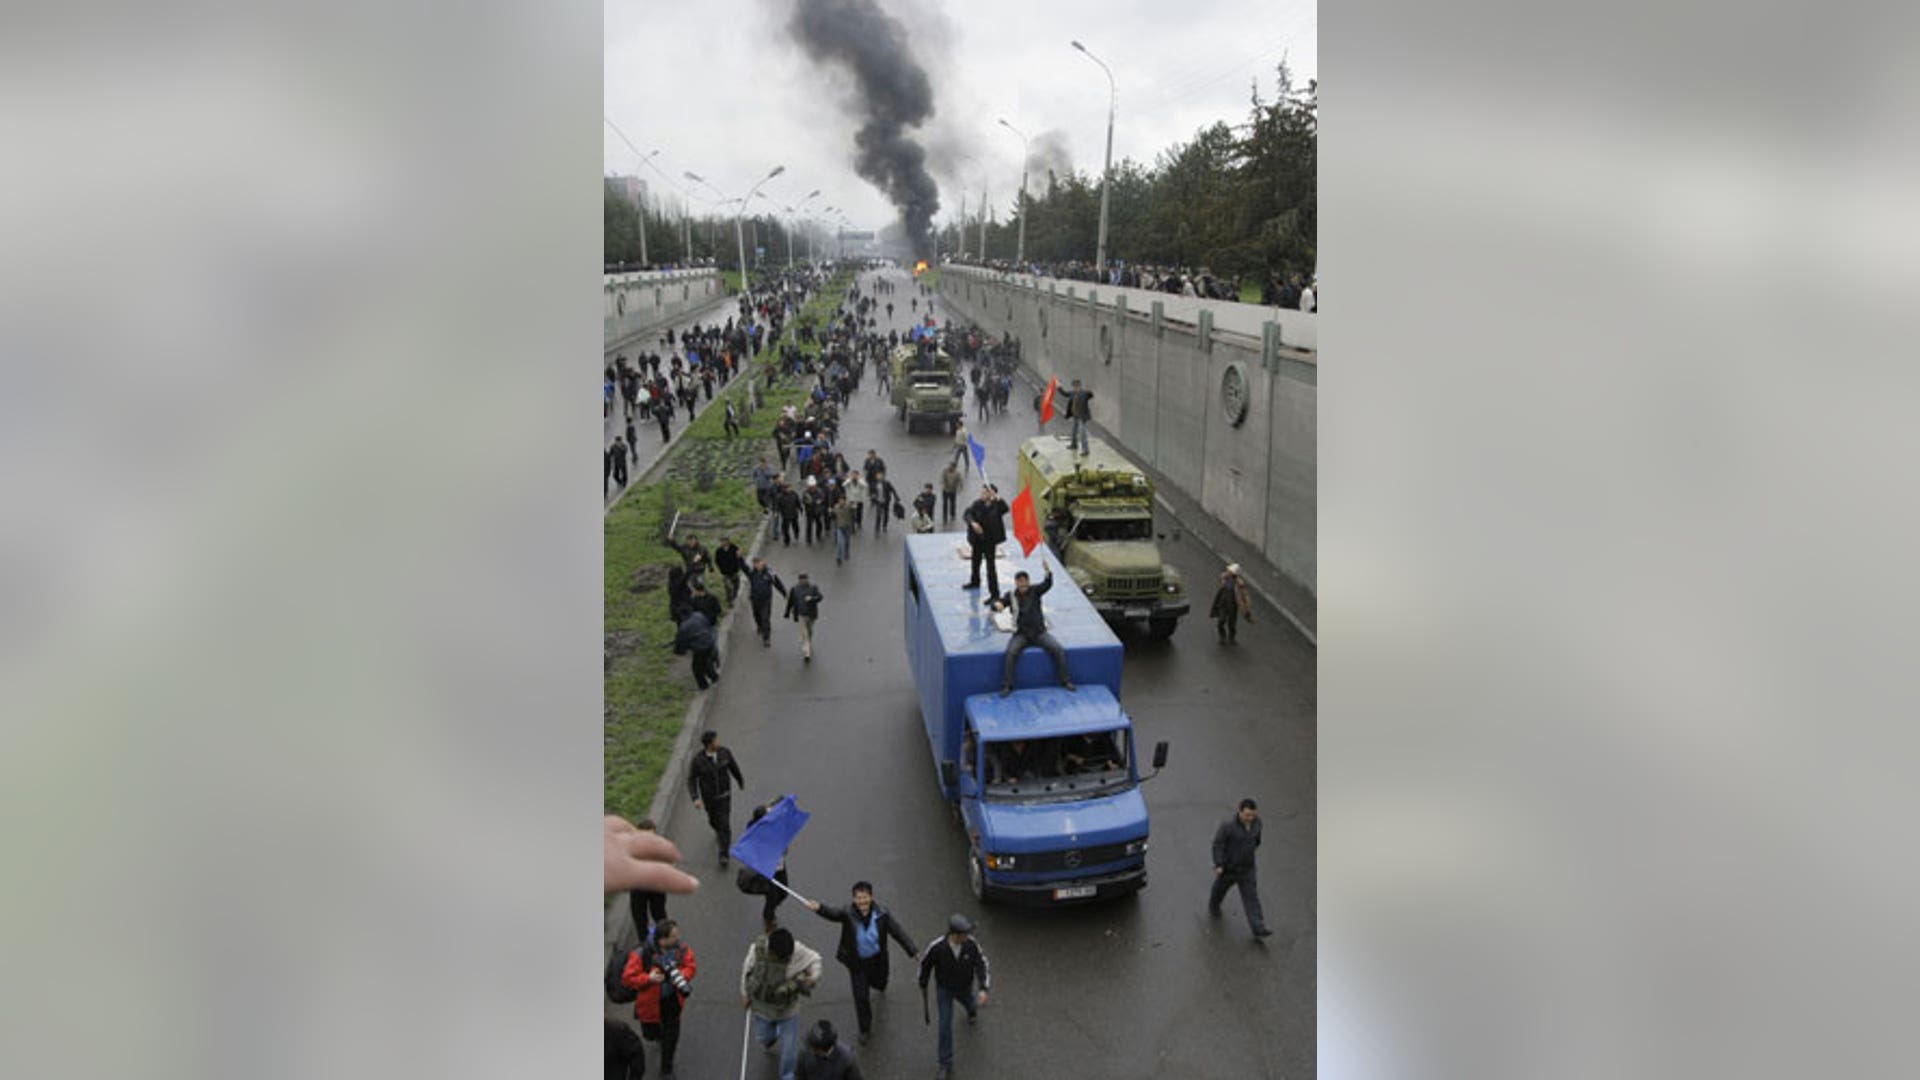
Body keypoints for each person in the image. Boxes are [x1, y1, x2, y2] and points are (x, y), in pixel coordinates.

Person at [803, 882, 920, 1045]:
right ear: (854, 899)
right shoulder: (847, 913)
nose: (862, 902)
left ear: (871, 898)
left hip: (878, 960)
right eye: (859, 899)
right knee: (861, 997)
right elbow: (833, 913)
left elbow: (898, 932)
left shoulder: (882, 914)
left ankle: (879, 984)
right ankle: (865, 1029)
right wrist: (818, 908)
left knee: (880, 982)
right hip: (857, 963)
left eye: (865, 898)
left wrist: (913, 950)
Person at [742, 927, 824, 1080]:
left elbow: (815, 958)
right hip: (763, 1006)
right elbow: (747, 971)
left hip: (788, 1008)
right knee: (764, 1038)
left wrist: (814, 976)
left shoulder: (797, 950)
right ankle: (771, 1037)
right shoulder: (757, 950)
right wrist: (745, 994)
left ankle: (787, 1075)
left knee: (789, 1049)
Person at [917, 914, 990, 1080]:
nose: (967, 936)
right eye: (964, 934)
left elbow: (982, 964)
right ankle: (945, 1063)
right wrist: (923, 982)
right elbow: (925, 965)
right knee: (944, 1026)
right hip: (945, 990)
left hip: (964, 987)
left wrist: (983, 989)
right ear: (954, 934)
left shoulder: (971, 945)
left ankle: (972, 1011)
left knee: (970, 1003)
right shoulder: (937, 948)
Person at [621, 919, 697, 1079]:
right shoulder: (641, 954)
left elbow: (690, 966)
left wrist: (681, 976)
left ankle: (666, 1067)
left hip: (672, 1001)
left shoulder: (681, 950)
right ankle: (657, 1036)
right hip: (649, 1005)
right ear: (662, 940)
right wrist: (648, 978)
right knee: (650, 1034)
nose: (679, 938)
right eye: (674, 936)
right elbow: (628, 978)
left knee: (671, 1035)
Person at [989, 561, 1074, 697]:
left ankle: (1065, 681)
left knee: (1058, 649)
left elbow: (1047, 584)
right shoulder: (1011, 596)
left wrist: (1048, 573)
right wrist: (996, 605)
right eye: (1019, 581)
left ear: (1028, 581)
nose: (1022, 583)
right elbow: (999, 603)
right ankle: (1007, 685)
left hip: (1039, 633)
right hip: (1021, 634)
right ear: (1016, 583)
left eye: (1024, 580)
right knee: (1010, 653)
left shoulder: (1035, 591)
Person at [1209, 798, 1272, 940]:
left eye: (1253, 815)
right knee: (1219, 890)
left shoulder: (1257, 824)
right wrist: (1219, 864)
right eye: (1247, 815)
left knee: (1251, 898)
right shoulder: (1228, 827)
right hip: (1229, 869)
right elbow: (1218, 845)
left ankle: (1258, 928)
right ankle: (1214, 905)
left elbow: (1257, 841)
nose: (1250, 818)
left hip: (1247, 869)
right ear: (1240, 812)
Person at [687, 731, 746, 868]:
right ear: (709, 744)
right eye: (715, 740)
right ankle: (718, 831)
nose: (718, 741)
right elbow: (691, 780)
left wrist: (740, 780)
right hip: (709, 799)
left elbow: (733, 767)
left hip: (724, 795)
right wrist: (695, 798)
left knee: (724, 824)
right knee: (714, 821)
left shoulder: (725, 753)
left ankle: (723, 854)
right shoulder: (698, 761)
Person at [605, 814, 701, 897]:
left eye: (652, 835)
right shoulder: (632, 850)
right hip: (639, 888)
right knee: (639, 911)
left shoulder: (658, 847)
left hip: (657, 888)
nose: (649, 838)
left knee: (658, 909)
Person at [627, 817, 670, 946]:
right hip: (638, 888)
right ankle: (643, 942)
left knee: (659, 913)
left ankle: (665, 937)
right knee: (640, 917)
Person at [961, 486, 1009, 596]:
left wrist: (998, 498)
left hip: (990, 541)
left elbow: (1005, 508)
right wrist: (973, 523)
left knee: (990, 567)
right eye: (982, 492)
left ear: (991, 495)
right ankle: (975, 582)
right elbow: (967, 514)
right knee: (975, 563)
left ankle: (994, 593)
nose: (982, 494)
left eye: (985, 493)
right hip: (977, 540)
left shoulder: (997, 506)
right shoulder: (977, 504)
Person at [795, 1020, 865, 1080]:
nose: (808, 1047)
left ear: (821, 1050)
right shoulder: (804, 1052)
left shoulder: (847, 1059)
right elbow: (799, 1076)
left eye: (812, 1046)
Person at [746, 556, 788, 647]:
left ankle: (766, 638)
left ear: (763, 562)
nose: (757, 565)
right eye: (755, 563)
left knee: (765, 618)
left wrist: (784, 593)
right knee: (757, 615)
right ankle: (759, 626)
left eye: (759, 562)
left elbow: (777, 583)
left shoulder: (770, 573)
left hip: (766, 600)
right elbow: (743, 568)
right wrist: (739, 558)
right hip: (755, 599)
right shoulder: (752, 573)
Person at [784, 572, 825, 663]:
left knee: (809, 630)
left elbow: (820, 597)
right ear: (799, 580)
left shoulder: (813, 587)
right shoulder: (794, 589)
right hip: (801, 614)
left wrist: (812, 598)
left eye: (805, 579)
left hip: (812, 614)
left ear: (807, 579)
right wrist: (787, 612)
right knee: (804, 632)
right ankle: (807, 653)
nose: (803, 581)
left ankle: (809, 641)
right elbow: (790, 601)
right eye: (801, 579)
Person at [1209, 562, 1254, 643]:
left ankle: (1231, 637)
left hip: (1232, 606)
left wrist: (1247, 610)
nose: (1227, 572)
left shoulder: (1240, 585)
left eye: (1229, 571)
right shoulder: (1225, 579)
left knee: (1232, 624)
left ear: (1233, 574)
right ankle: (1222, 636)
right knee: (1221, 621)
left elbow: (1246, 597)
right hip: (1223, 604)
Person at [1062, 379, 1094, 455]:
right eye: (1073, 387)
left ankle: (1085, 450)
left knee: (1083, 434)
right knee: (1074, 431)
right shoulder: (1073, 393)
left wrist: (1089, 391)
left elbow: (1090, 395)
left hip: (1082, 417)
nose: (1074, 388)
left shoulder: (1083, 393)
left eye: (1075, 387)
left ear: (1079, 386)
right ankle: (1074, 445)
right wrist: (1058, 386)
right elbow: (1065, 394)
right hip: (1075, 415)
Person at [714, 536, 744, 604]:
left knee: (736, 586)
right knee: (728, 587)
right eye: (721, 541)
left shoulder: (734, 548)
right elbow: (717, 561)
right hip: (725, 573)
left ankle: (734, 597)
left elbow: (740, 559)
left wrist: (738, 566)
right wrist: (721, 569)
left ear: (728, 541)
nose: (723, 543)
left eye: (724, 541)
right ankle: (729, 601)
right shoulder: (719, 551)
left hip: (734, 572)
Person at [774, 479, 803, 547]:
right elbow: (777, 505)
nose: (789, 489)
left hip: (794, 514)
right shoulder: (780, 496)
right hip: (785, 515)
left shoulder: (794, 494)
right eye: (787, 488)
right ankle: (787, 541)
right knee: (785, 529)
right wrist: (776, 512)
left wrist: (800, 509)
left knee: (795, 527)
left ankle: (796, 536)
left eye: (789, 487)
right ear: (784, 489)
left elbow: (798, 502)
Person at [831, 492, 854, 566]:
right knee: (839, 543)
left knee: (847, 542)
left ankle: (846, 552)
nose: (841, 502)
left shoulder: (848, 507)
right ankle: (839, 557)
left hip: (847, 527)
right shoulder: (836, 507)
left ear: (845, 501)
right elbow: (833, 516)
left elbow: (853, 513)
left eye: (842, 500)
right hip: (839, 528)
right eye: (839, 500)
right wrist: (830, 513)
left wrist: (854, 508)